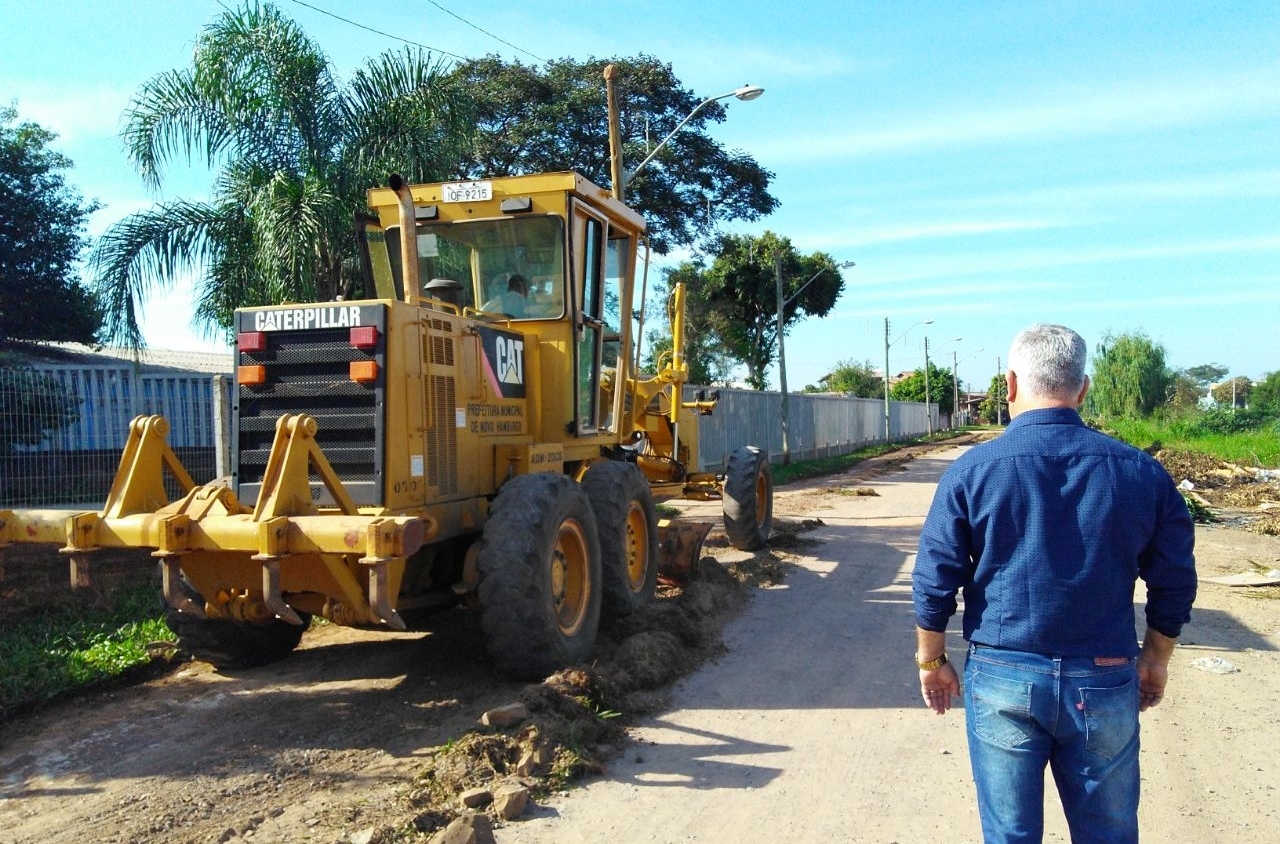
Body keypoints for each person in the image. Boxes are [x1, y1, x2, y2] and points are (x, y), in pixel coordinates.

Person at [911, 323, 1197, 844]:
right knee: (1108, 833)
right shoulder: (1140, 472)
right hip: (1105, 674)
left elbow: (935, 578)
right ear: (1082, 388)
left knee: (1010, 834)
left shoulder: (972, 471)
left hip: (1003, 674)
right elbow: (1174, 581)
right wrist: (1154, 659)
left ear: (1010, 384)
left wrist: (932, 660)